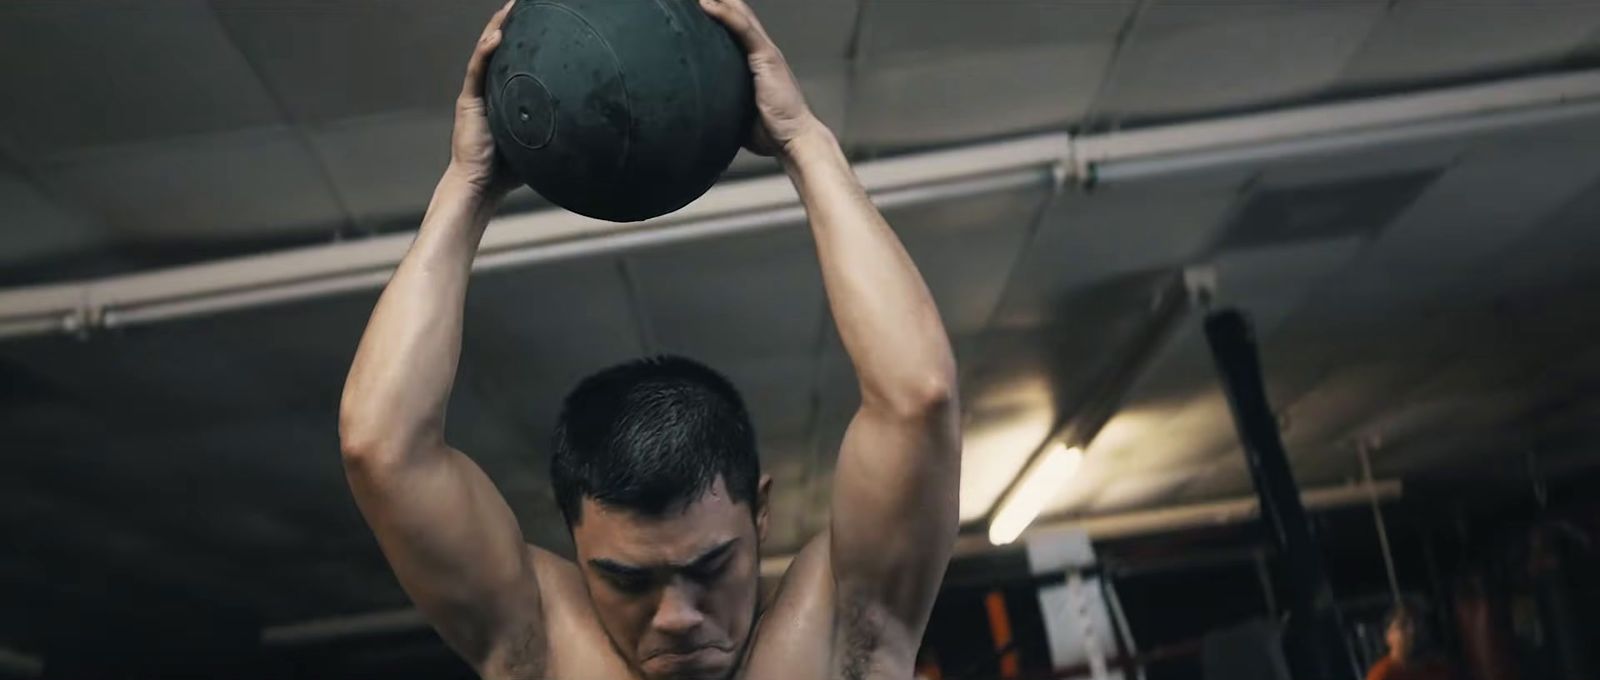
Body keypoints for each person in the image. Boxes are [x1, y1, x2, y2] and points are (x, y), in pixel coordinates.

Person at [336, 1, 962, 678]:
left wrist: (803, 140)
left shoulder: (843, 630)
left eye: (710, 567)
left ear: (760, 516)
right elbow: (381, 448)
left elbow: (919, 397)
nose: (677, 617)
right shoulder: (544, 648)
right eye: (629, 579)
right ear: (574, 539)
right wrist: (469, 184)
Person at [1366, 605, 1453, 680]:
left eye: (1417, 623)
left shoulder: (1439, 671)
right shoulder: (1382, 675)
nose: (1412, 630)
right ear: (1388, 636)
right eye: (1402, 625)